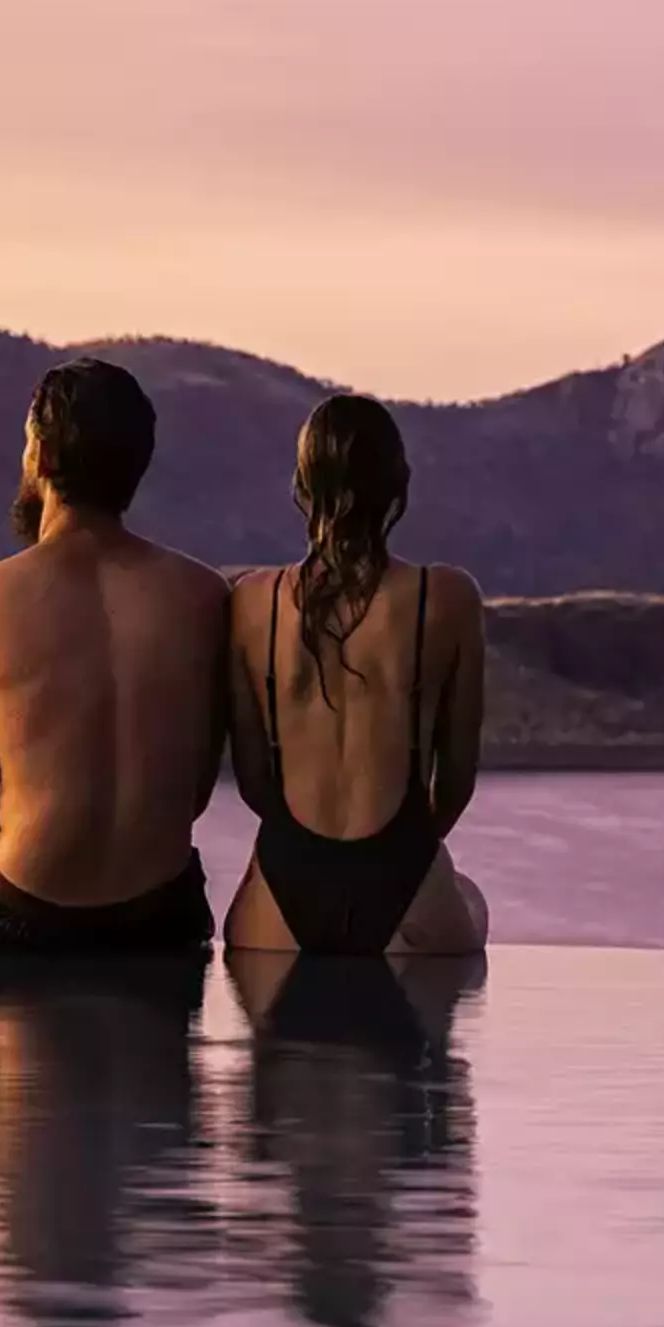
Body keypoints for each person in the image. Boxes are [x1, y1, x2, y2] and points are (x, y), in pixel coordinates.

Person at [0, 358, 232, 954]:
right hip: (163, 909)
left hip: (23, 904)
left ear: (39, 456)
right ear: (135, 468)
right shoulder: (206, 596)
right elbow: (194, 793)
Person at [226, 395, 491, 956]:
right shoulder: (447, 597)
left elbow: (253, 781)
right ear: (398, 485)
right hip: (405, 881)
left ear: (302, 486)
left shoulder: (252, 602)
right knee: (470, 901)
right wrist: (398, 856)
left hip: (282, 891)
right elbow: (457, 780)